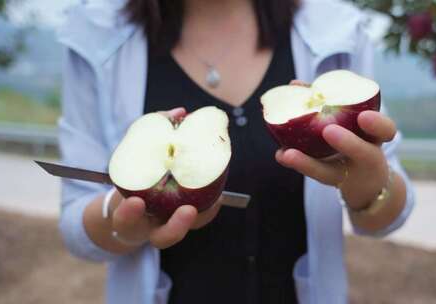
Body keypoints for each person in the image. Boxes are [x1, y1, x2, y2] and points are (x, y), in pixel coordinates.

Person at [57, 0, 415, 303]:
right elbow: (76, 225)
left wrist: (369, 188)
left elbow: (389, 214)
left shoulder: (336, 29)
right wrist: (123, 220)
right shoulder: (95, 35)